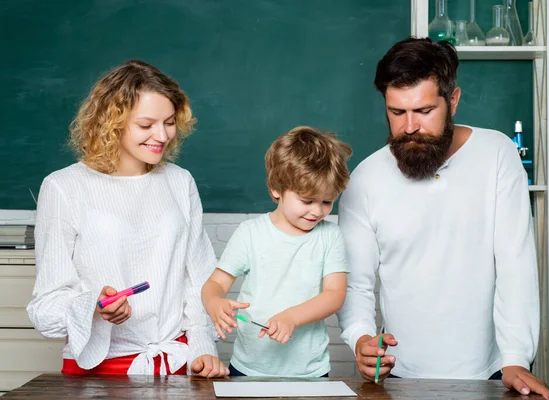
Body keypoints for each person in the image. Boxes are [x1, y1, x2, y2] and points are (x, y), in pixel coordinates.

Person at [336, 38, 549, 400]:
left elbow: (516, 263)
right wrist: (360, 338)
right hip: (401, 376)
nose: (408, 127)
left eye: (423, 111)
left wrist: (517, 357)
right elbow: (355, 283)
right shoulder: (364, 179)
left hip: (495, 371)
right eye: (396, 112)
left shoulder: (497, 154)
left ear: (452, 100)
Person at [27, 60, 228, 377]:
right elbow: (45, 308)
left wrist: (203, 350)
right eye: (146, 125)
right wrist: (92, 305)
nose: (162, 135)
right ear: (112, 123)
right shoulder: (64, 187)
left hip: (177, 363)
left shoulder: (180, 181)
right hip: (98, 370)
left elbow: (199, 281)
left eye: (170, 122)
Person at [201, 126, 351, 377]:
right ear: (276, 189)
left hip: (310, 372)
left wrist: (292, 317)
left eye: (327, 202)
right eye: (307, 200)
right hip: (248, 368)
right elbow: (215, 283)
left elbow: (335, 295)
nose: (317, 211)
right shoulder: (250, 233)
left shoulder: (330, 236)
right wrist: (214, 302)